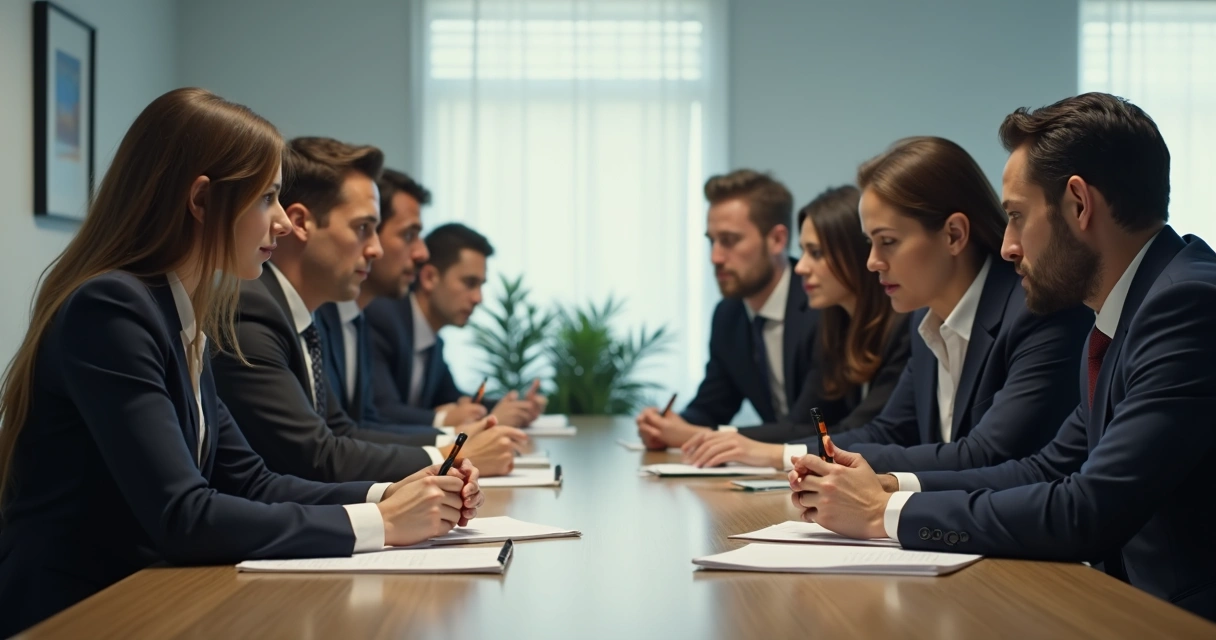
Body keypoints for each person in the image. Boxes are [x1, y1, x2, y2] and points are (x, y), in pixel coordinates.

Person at [0, 89, 483, 636]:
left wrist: (389, 493)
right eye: (267, 198)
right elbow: (183, 515)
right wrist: (383, 523)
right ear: (202, 202)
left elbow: (252, 482)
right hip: (82, 612)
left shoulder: (180, 309)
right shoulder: (113, 308)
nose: (281, 222)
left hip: (153, 597)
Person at [791, 93, 1216, 621]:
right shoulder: (1124, 308)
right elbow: (1048, 467)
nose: (1009, 245)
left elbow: (1088, 510)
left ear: (1079, 205)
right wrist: (889, 484)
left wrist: (885, 513)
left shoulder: (1186, 303)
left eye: (1016, 216)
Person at [677, 137, 1092, 472]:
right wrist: (780, 454)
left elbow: (985, 455)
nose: (873, 262)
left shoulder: (1036, 313)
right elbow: (887, 432)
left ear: (953, 235)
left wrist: (778, 455)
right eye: (870, 243)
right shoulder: (924, 321)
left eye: (887, 242)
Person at [212, 138, 525, 481]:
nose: (374, 249)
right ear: (301, 224)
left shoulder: (301, 313)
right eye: (363, 228)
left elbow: (342, 431)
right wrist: (449, 455)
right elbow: (314, 456)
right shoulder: (254, 310)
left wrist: (451, 449)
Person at [679, 185, 911, 466]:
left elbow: (871, 432)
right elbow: (823, 425)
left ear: (858, 255)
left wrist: (759, 450)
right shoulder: (835, 322)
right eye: (803, 252)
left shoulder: (906, 326)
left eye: (815, 253)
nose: (800, 267)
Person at [636, 170, 818, 447]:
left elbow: (809, 425)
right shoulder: (728, 314)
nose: (715, 257)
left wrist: (700, 437)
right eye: (711, 240)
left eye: (729, 241)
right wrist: (667, 426)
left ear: (777, 240)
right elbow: (712, 407)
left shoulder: (820, 302)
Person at [365, 223, 543, 427]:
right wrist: (442, 419)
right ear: (429, 277)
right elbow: (379, 411)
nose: (478, 298)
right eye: (469, 283)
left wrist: (516, 407)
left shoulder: (433, 342)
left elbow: (453, 399)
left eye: (481, 285)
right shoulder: (383, 319)